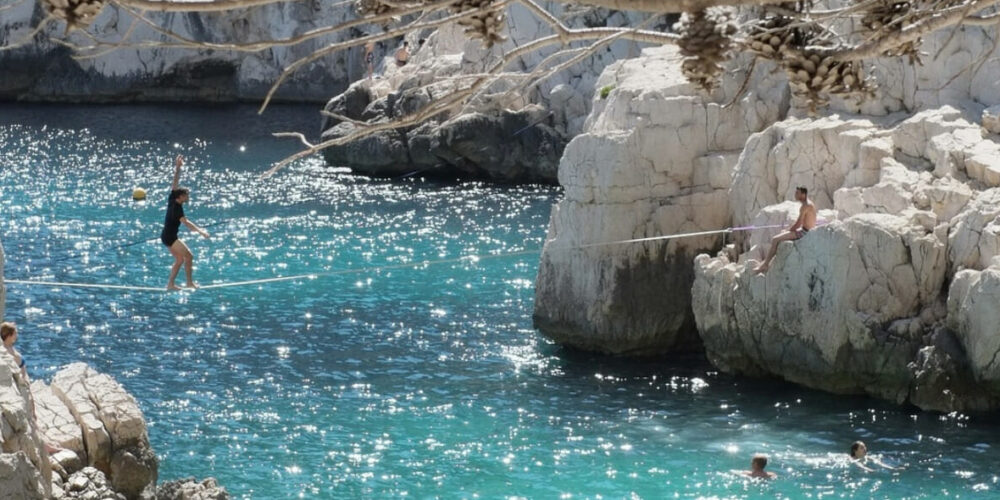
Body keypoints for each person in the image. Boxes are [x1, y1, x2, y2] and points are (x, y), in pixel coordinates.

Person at [2, 322, 65, 454]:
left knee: (33, 419)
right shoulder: (7, 352)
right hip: (21, 389)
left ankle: (46, 441)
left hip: (23, 387)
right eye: (15, 333)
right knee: (30, 420)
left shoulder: (6, 348)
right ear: (9, 335)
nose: (17, 335)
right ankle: (46, 447)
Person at [162, 155, 210, 290]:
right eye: (186, 196)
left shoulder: (172, 198)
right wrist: (201, 231)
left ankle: (170, 284)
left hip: (166, 236)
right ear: (181, 197)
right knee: (189, 256)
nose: (188, 197)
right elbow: (187, 223)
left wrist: (178, 168)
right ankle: (189, 283)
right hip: (170, 238)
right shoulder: (177, 209)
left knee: (179, 260)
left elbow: (175, 182)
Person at [754, 186, 817, 274]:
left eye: (797, 193)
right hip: (807, 230)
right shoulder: (809, 203)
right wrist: (789, 230)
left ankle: (765, 264)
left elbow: (798, 223)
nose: (795, 195)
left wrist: (790, 230)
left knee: (775, 239)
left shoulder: (805, 206)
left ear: (803, 194)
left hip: (805, 233)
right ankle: (767, 262)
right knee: (783, 233)